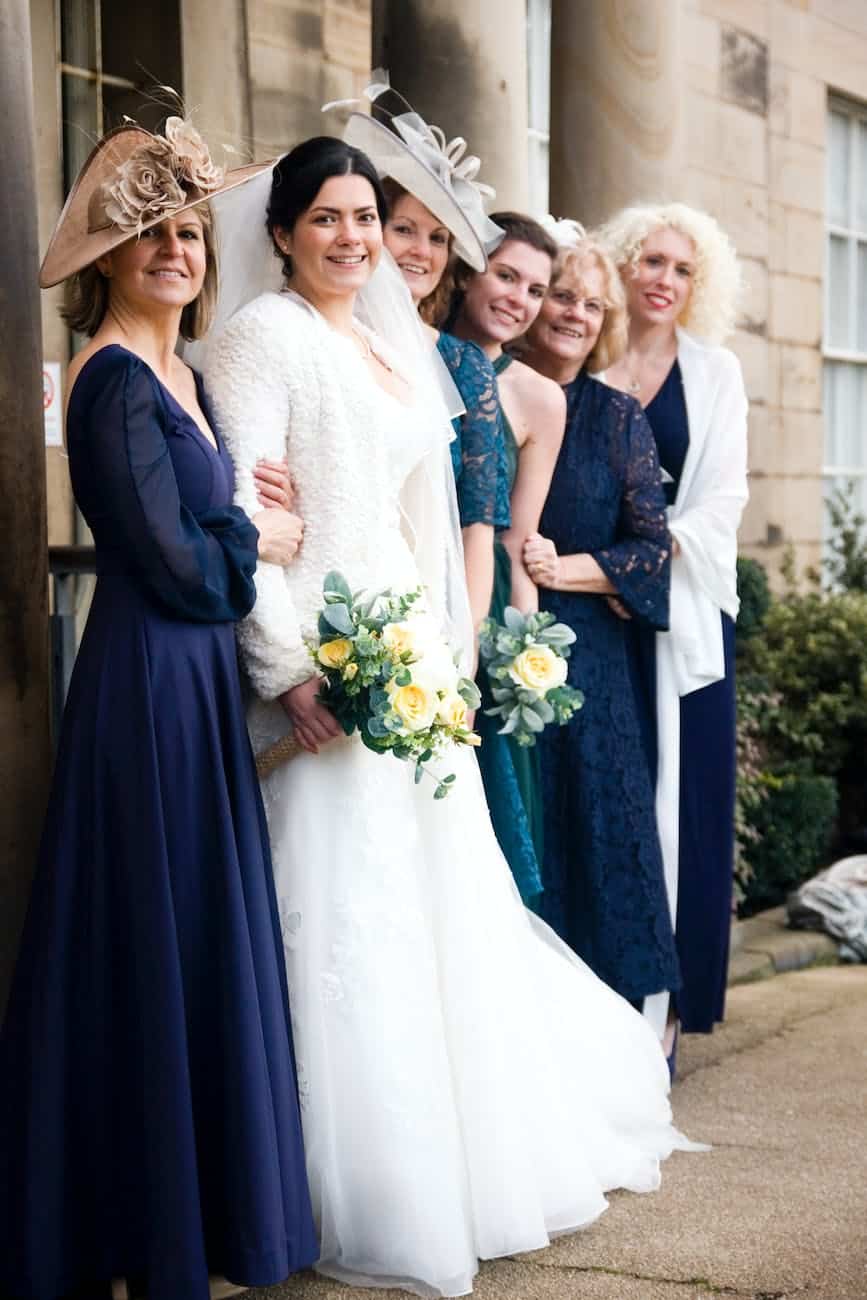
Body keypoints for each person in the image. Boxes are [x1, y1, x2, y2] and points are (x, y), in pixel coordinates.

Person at [203, 135, 699, 1300]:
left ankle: (460, 1144)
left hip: (407, 657)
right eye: (325, 217)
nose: (352, 237)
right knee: (340, 905)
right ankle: (341, 1181)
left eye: (364, 218)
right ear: (280, 232)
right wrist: (285, 665)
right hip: (326, 659)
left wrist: (447, 650)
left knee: (431, 904)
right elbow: (245, 503)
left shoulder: (382, 344)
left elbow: (429, 510)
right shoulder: (258, 339)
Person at [0, 120, 318, 1300]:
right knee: (148, 937)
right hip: (147, 680)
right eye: (150, 234)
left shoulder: (184, 375)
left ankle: (201, 1219)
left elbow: (214, 514)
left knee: (191, 930)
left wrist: (253, 502)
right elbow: (181, 561)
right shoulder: (113, 380)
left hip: (191, 678)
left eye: (189, 231)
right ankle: (136, 1233)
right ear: (111, 262)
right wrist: (256, 531)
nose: (176, 249)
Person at [598, 202, 749, 1047]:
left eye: (681, 269)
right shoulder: (590, 355)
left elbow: (724, 497)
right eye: (650, 261)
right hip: (590, 610)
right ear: (621, 264)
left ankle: (668, 1000)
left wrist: (643, 564)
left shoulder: (714, 372)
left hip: (681, 612)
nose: (662, 280)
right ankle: (609, 988)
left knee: (682, 801)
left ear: (699, 286)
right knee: (614, 797)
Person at [518, 225, 680, 1016]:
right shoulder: (489, 390)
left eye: (590, 303)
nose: (573, 314)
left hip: (591, 666)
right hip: (501, 641)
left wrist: (562, 573)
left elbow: (650, 552)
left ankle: (611, 1025)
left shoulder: (617, 419)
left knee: (596, 831)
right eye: (558, 295)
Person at [344, 98, 510, 643]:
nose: (422, 251)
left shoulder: (464, 366)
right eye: (405, 229)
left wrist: (464, 645)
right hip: (338, 599)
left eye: (438, 238)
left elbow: (477, 525)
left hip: (432, 609)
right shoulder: (325, 340)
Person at [443, 212, 566, 903]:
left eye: (535, 288)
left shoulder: (540, 398)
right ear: (469, 272)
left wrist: (523, 648)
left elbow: (522, 533)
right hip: (414, 580)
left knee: (493, 798)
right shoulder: (413, 357)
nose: (518, 298)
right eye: (506, 275)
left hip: (487, 601)